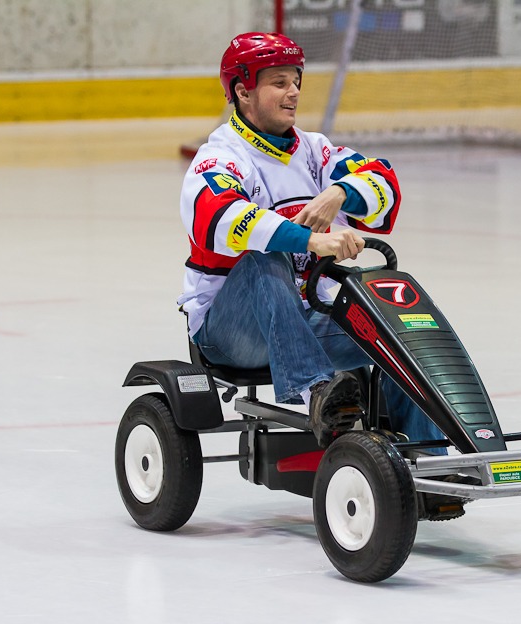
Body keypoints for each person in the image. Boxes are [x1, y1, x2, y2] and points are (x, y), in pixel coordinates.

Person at [177, 32, 446, 452]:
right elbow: (218, 218)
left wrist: (339, 192)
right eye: (279, 83)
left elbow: (384, 183)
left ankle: (433, 465)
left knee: (398, 334)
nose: (294, 92)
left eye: (296, 81)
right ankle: (317, 390)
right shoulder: (220, 157)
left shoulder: (315, 151)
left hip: (306, 316)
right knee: (264, 260)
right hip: (228, 333)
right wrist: (311, 241)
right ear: (243, 91)